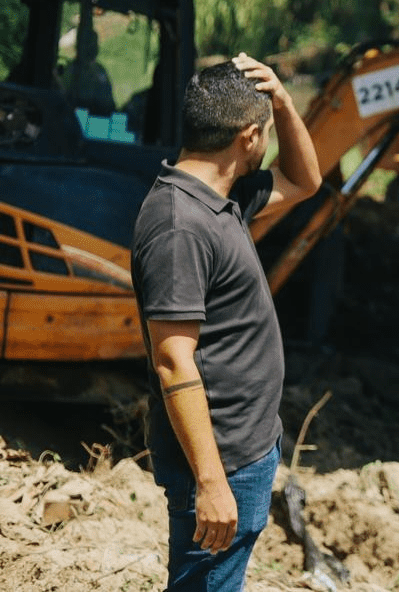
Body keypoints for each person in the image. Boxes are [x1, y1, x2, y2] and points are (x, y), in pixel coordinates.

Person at [131, 53, 322, 591]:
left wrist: (282, 102)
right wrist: (210, 483)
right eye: (264, 129)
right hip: (219, 462)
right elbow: (172, 361)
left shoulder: (224, 198)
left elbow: (304, 181)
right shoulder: (180, 225)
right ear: (249, 137)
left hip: (244, 447)